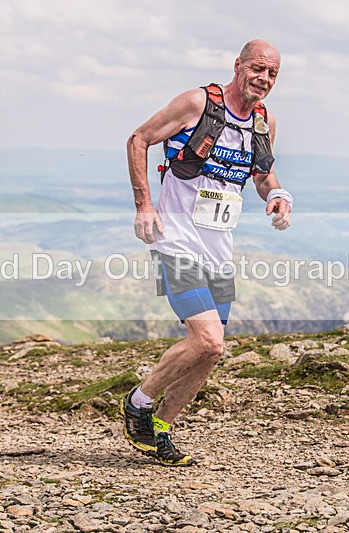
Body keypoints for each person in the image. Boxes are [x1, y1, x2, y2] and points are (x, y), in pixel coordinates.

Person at [123, 40, 292, 466]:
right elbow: (139, 139)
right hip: (177, 241)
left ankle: (159, 426)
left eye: (272, 73)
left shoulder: (265, 120)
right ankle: (138, 402)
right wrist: (144, 204)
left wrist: (277, 194)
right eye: (257, 68)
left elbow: (262, 173)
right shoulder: (197, 102)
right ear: (237, 66)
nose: (264, 79)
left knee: (211, 351)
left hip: (219, 248)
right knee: (208, 337)